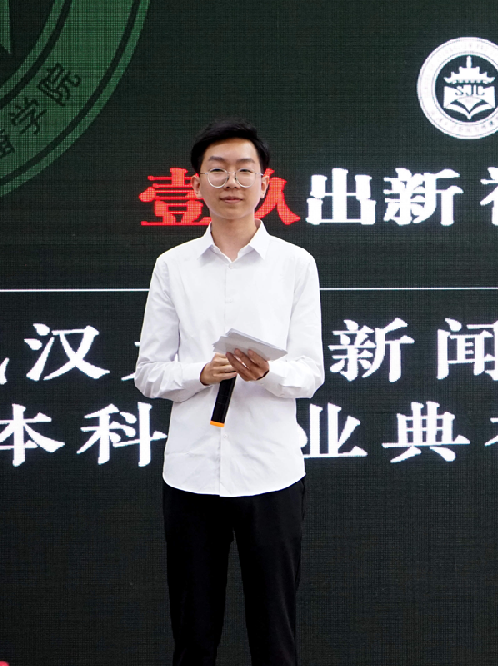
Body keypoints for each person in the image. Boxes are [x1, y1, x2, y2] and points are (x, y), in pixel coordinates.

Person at [135, 119, 324, 666]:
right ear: (196, 184)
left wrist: (268, 373)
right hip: (192, 471)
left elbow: (310, 371)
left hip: (270, 469)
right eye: (217, 170)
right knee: (194, 635)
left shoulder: (295, 264)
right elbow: (148, 373)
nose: (231, 182)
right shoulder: (172, 267)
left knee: (275, 637)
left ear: (266, 182)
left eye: (244, 170)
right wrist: (201, 373)